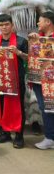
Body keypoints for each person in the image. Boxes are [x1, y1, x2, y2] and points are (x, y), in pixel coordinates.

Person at [0, 14, 27, 149]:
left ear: (12, 25)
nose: (4, 27)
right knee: (3, 106)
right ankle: (5, 133)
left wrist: (19, 52)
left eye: (6, 24)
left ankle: (19, 135)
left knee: (18, 108)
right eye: (1, 25)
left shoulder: (21, 41)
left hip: (16, 80)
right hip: (1, 80)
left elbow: (29, 59)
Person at [29, 11, 54, 150]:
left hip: (51, 80)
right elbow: (33, 59)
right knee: (45, 108)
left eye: (40, 20)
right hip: (39, 81)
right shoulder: (40, 38)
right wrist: (34, 42)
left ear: (48, 22)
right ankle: (50, 137)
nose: (38, 23)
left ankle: (50, 138)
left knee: (49, 108)